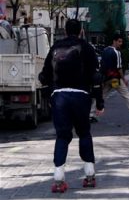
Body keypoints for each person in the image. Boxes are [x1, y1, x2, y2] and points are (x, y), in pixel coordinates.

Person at [39, 19, 104, 192]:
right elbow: (96, 78)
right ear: (81, 30)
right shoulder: (86, 48)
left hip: (59, 97)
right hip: (81, 96)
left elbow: (44, 75)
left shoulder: (55, 48)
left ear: (66, 31)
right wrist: (99, 102)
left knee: (62, 136)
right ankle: (89, 175)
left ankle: (58, 178)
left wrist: (50, 96)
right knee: (84, 133)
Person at [100, 32, 129, 123]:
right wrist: (124, 79)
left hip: (107, 78)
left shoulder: (105, 50)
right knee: (126, 94)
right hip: (115, 79)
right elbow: (119, 68)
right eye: (119, 41)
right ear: (114, 41)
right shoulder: (117, 52)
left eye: (121, 42)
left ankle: (91, 114)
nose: (120, 43)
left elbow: (102, 66)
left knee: (101, 96)